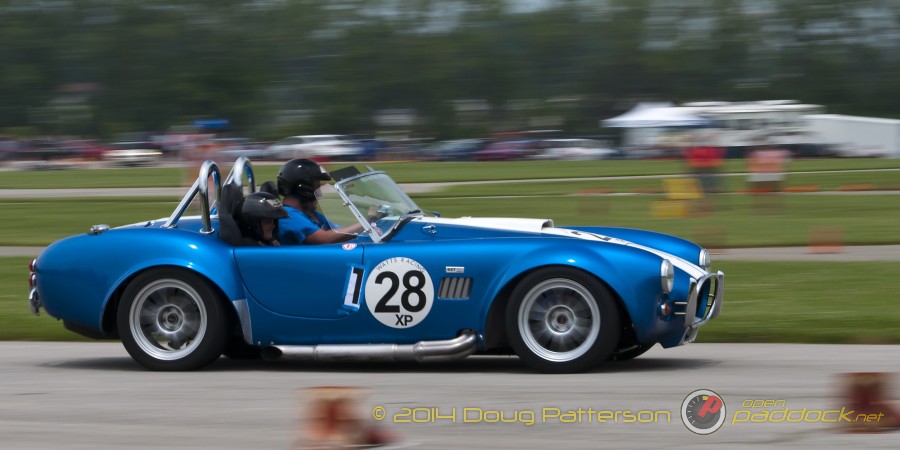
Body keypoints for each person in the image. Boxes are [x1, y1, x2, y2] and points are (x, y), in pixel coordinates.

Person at [276, 158, 380, 245]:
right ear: (304, 189)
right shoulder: (287, 216)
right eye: (317, 187)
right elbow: (324, 238)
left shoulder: (310, 214)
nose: (320, 194)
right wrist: (366, 222)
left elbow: (338, 231)